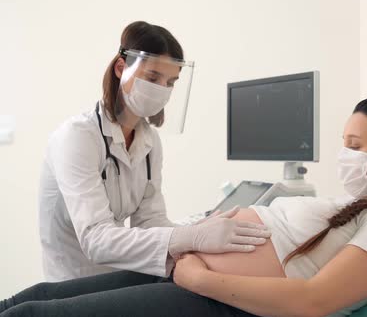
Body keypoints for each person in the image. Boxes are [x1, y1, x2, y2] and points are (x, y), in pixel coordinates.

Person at [2, 96, 367, 317]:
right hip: (185, 272)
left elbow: (313, 301)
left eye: (355, 146)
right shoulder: (349, 203)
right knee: (38, 298)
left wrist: (198, 278)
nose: (344, 156)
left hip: (225, 304)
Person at [37, 21, 271, 282]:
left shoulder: (149, 141)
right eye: (153, 78)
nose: (162, 90)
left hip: (124, 277)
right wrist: (190, 237)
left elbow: (150, 220)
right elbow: (95, 239)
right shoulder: (78, 137)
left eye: (171, 82)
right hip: (71, 284)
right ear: (120, 68)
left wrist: (196, 231)